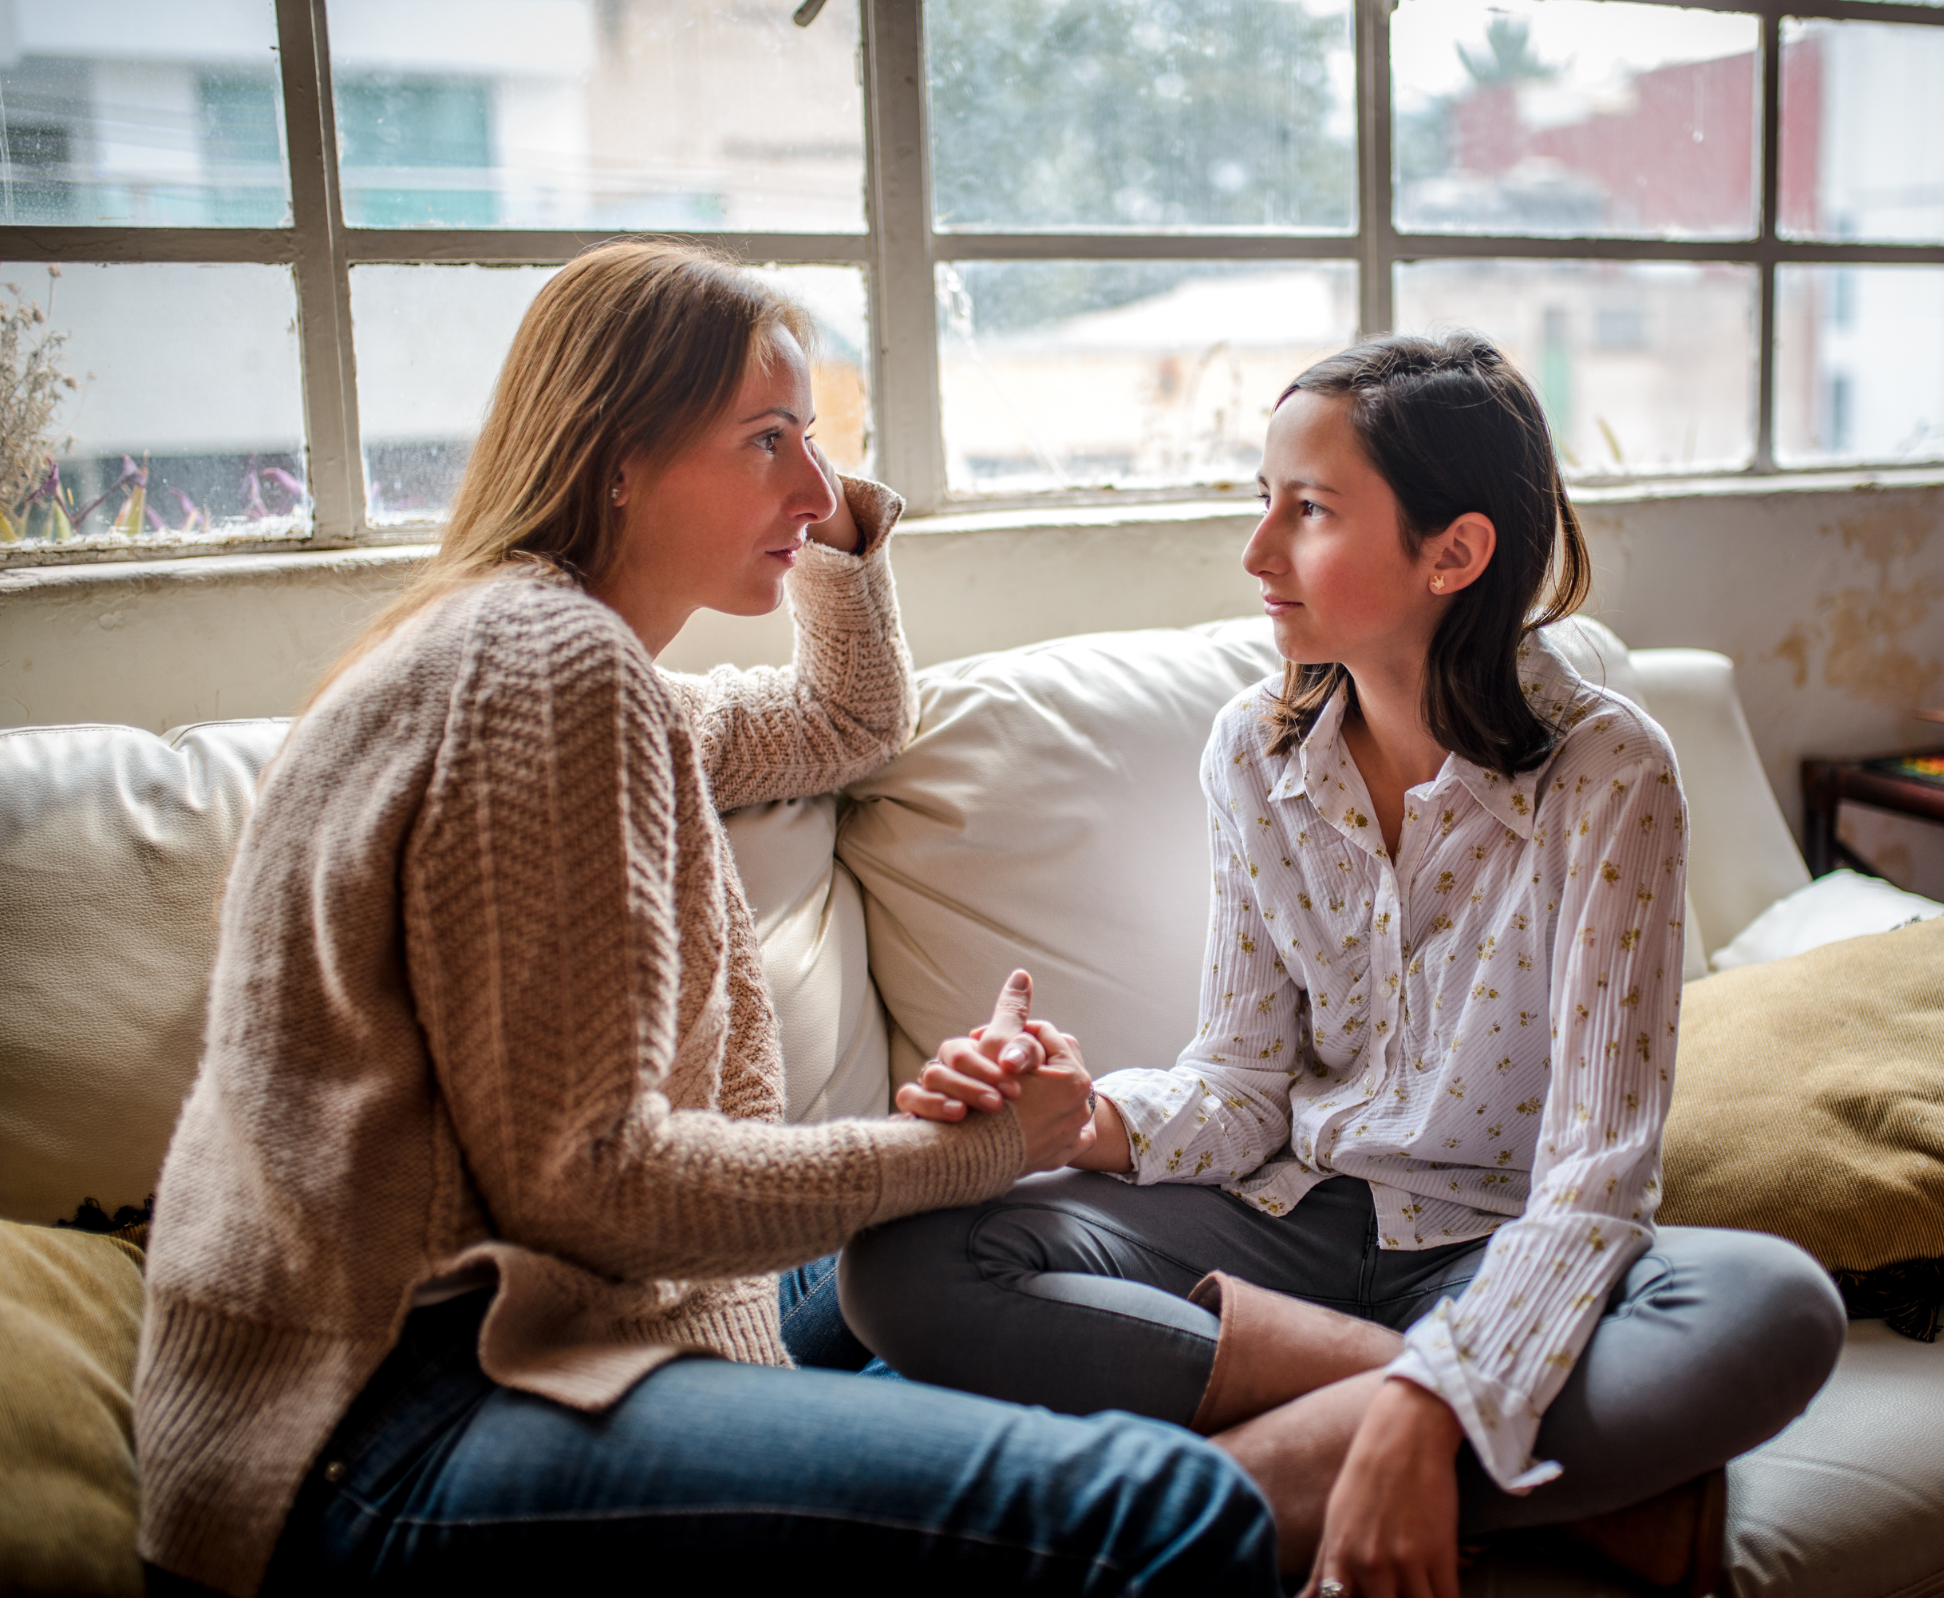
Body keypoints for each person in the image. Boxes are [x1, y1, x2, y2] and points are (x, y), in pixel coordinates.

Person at [131, 239, 1276, 1598]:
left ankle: (1378, 1394)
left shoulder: (558, 661)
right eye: (769, 441)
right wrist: (951, 1154)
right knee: (1177, 1512)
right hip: (396, 1421)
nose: (819, 483)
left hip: (539, 1338)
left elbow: (843, 722)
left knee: (992, 1221)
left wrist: (982, 1153)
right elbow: (598, 1185)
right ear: (618, 452)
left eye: (816, 440)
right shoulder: (544, 676)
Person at [844, 333, 1849, 1598]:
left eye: (1307, 510)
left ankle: (1227, 1498)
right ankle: (1510, 1460)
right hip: (1289, 1216)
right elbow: (1244, 1076)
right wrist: (1085, 1119)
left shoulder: (1610, 771)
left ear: (1454, 552)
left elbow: (1597, 1179)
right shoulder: (1253, 753)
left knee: (1773, 1304)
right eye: (1264, 503)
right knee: (900, 1261)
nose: (1258, 552)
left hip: (1496, 1244)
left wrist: (1438, 1391)